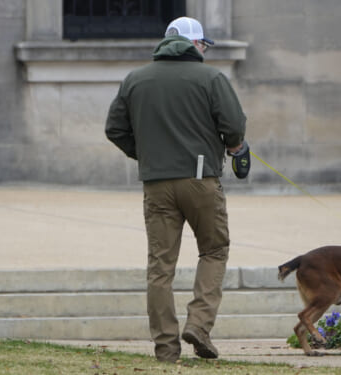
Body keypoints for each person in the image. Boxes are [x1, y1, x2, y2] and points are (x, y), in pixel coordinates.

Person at [105, 16, 247, 363]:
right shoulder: (212, 77)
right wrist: (233, 148)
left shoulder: (135, 79)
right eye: (204, 44)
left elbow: (115, 129)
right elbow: (234, 127)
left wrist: (148, 155)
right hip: (201, 179)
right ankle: (199, 324)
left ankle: (166, 348)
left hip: (156, 182)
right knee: (213, 251)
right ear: (196, 44)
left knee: (160, 267)